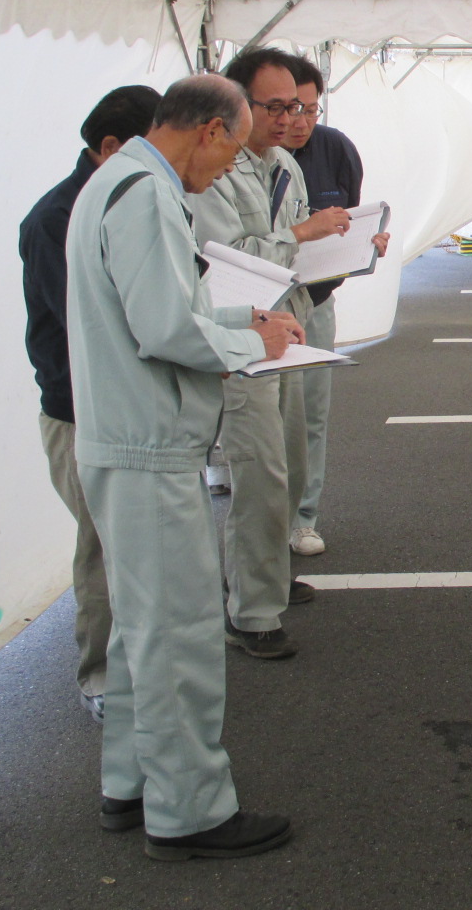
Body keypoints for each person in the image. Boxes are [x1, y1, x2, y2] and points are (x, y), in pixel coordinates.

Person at [66, 73, 301, 860]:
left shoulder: (118, 182)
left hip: (130, 441)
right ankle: (191, 809)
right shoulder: (146, 194)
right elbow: (166, 325)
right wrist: (250, 344)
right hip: (147, 446)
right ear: (205, 131)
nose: (224, 171)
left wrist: (245, 319)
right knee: (181, 636)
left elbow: (167, 303)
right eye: (229, 151)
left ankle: (131, 782)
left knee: (143, 633)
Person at [187, 48, 350, 660]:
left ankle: (272, 576)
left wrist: (347, 243)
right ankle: (251, 612)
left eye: (299, 107)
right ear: (238, 104)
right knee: (258, 472)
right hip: (242, 339)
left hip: (291, 328)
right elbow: (226, 255)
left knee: (293, 459)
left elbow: (301, 240)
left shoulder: (283, 165)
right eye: (274, 106)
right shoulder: (216, 172)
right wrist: (302, 236)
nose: (288, 119)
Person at [18, 85, 158, 725]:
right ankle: (100, 674)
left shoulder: (124, 198)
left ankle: (139, 663)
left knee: (133, 540)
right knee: (101, 544)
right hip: (80, 411)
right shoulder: (58, 219)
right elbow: (91, 321)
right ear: (110, 149)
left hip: (128, 403)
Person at [280, 56, 389, 557]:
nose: (299, 121)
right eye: (289, 109)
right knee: (263, 420)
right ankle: (265, 518)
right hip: (259, 308)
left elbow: (351, 217)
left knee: (311, 414)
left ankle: (304, 517)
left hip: (316, 302)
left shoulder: (336, 148)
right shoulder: (246, 162)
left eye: (310, 109)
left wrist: (368, 241)